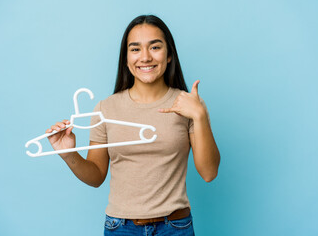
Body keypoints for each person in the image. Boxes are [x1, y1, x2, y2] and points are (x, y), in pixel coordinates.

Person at [46, 15, 220, 236]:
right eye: (135, 49)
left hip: (175, 227)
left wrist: (200, 116)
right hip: (121, 228)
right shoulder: (106, 108)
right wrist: (68, 153)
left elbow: (209, 172)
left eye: (155, 47)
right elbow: (96, 176)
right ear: (126, 59)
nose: (145, 57)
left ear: (169, 56)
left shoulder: (189, 105)